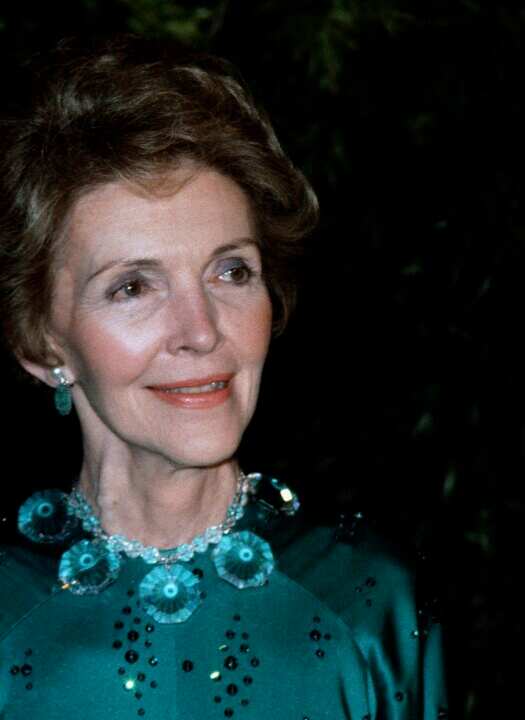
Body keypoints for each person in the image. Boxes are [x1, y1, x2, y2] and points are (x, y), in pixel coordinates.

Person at [0, 36, 445, 718]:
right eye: (132, 287)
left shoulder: (366, 596)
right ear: (40, 340)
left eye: (231, 271)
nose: (202, 330)